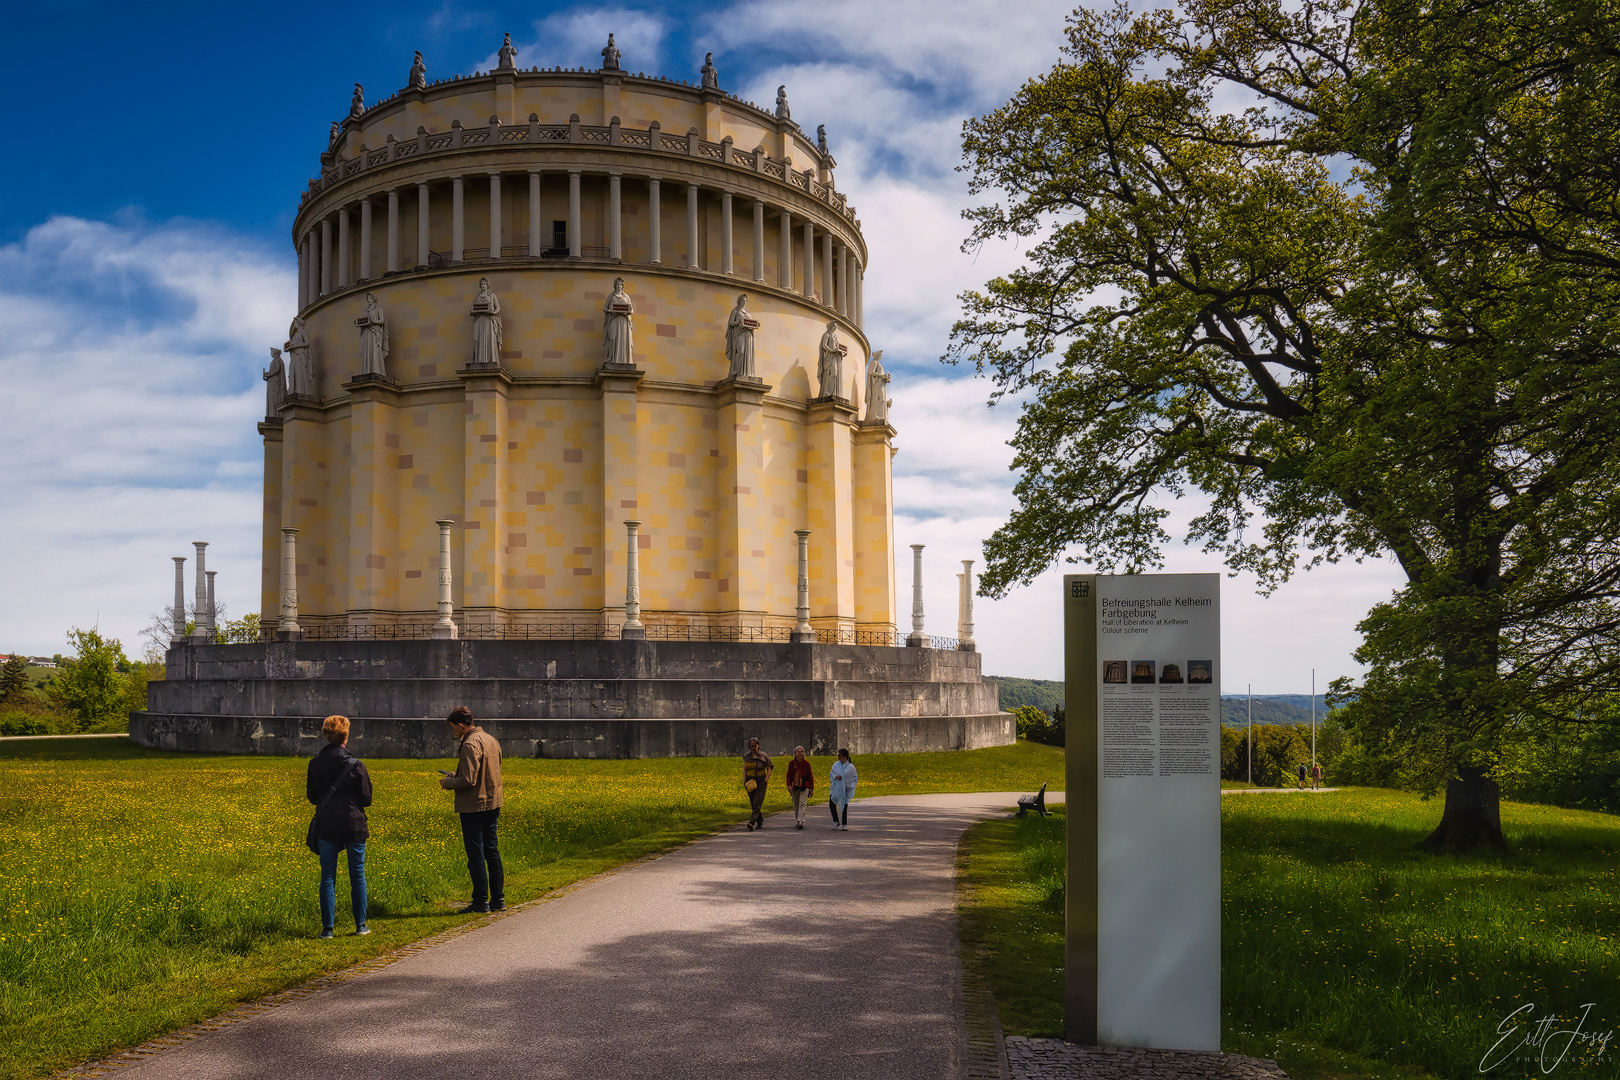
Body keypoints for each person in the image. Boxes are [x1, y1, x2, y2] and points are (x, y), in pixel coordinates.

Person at [306, 714, 373, 938]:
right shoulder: (356, 765)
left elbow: (313, 797)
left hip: (326, 824)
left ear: (326, 735)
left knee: (327, 876)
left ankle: (327, 929)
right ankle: (360, 925)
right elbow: (366, 799)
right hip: (353, 823)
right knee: (357, 874)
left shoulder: (315, 764)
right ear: (346, 735)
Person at [439, 706, 505, 913]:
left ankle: (480, 901)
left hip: (474, 806)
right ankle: (498, 899)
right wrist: (457, 775)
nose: (453, 733)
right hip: (493, 802)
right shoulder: (490, 739)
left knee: (476, 854)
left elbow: (468, 780)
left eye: (453, 729)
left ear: (461, 725)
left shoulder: (469, 743)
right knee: (492, 851)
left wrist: (447, 783)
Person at [743, 737, 773, 830]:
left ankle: (751, 822)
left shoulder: (763, 755)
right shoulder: (747, 756)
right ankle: (760, 821)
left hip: (760, 781)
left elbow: (769, 768)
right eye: (751, 746)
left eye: (754, 746)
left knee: (757, 802)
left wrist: (766, 779)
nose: (753, 748)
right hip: (750, 781)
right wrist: (744, 781)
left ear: (758, 746)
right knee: (753, 803)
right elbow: (745, 769)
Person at [785, 746, 813, 829]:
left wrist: (811, 788)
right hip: (795, 786)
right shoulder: (791, 764)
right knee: (796, 804)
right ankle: (798, 820)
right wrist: (789, 785)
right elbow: (788, 776)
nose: (800, 753)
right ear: (795, 753)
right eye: (798, 752)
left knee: (802, 803)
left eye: (802, 752)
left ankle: (800, 821)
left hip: (805, 785)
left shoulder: (806, 764)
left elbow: (810, 776)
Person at [829, 747, 857, 830]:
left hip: (845, 789)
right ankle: (836, 821)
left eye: (839, 756)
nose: (838, 758)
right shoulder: (836, 765)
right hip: (836, 788)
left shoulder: (851, 767)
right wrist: (836, 776)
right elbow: (831, 774)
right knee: (832, 804)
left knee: (844, 806)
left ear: (844, 756)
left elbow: (853, 778)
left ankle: (844, 824)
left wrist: (845, 782)